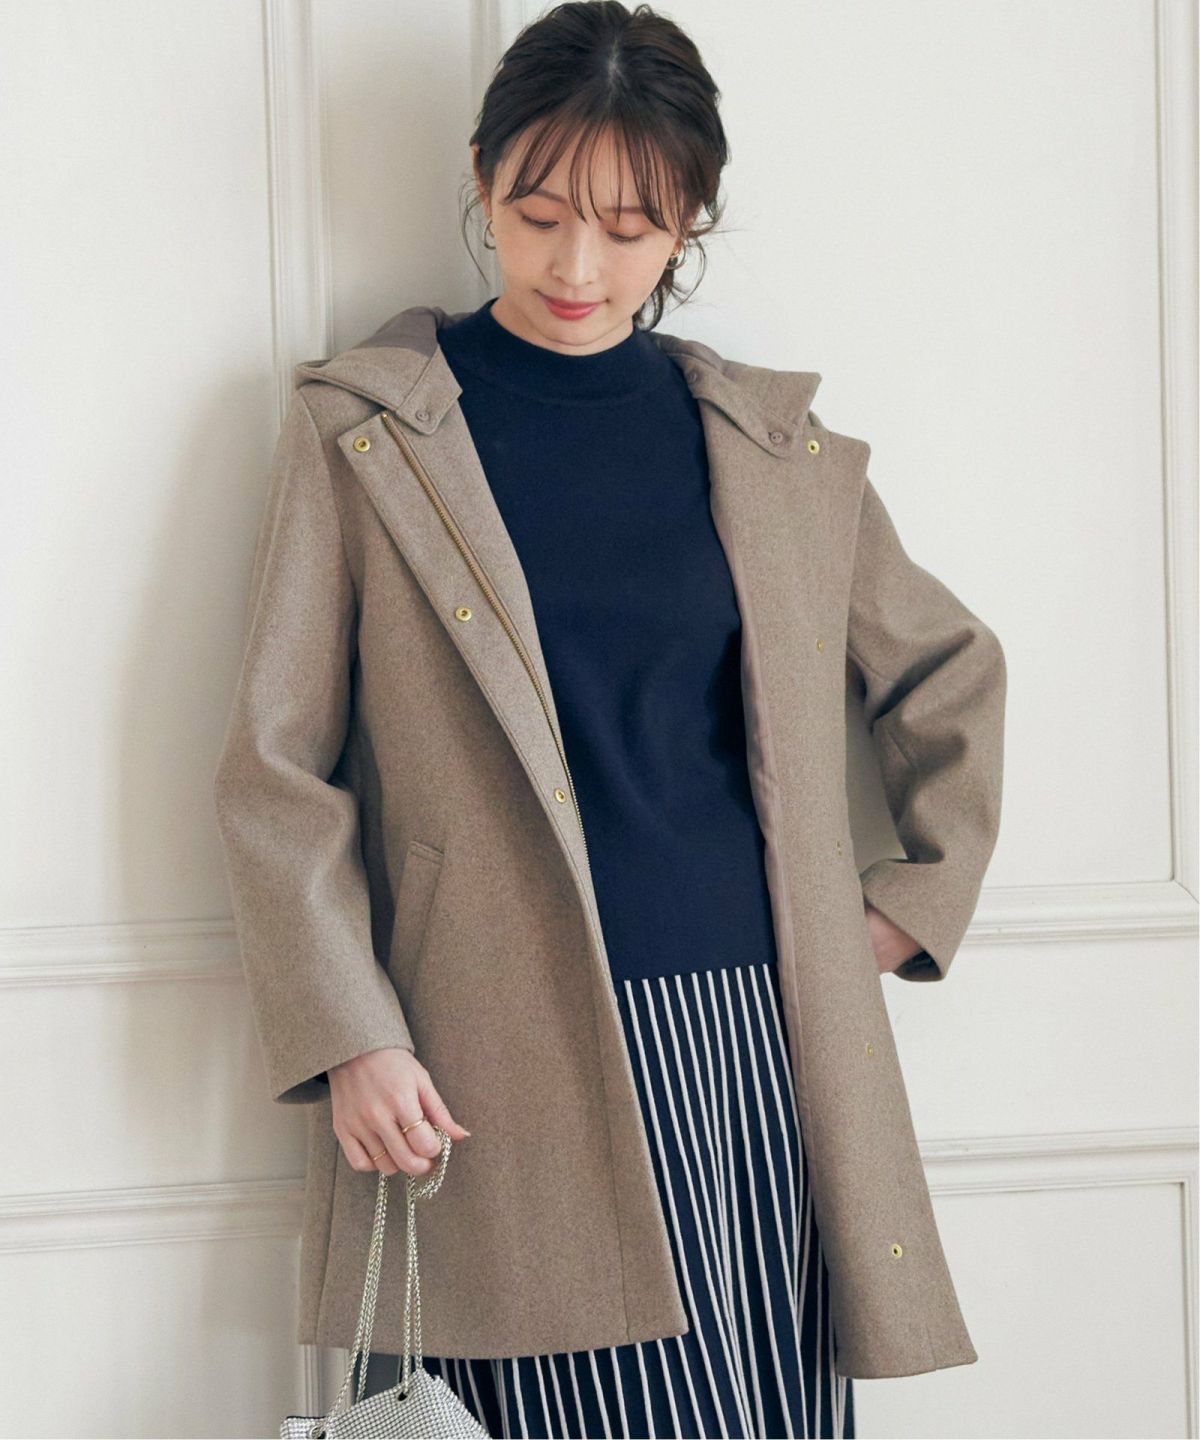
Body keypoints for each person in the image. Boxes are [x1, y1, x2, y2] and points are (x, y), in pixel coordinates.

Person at [215, 3, 1006, 1437]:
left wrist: (905, 906)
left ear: (690, 217)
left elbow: (951, 668)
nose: (578, 268)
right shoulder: (369, 434)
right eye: (538, 215)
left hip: (757, 1044)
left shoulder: (763, 445)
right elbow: (277, 768)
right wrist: (350, 1033)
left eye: (632, 229)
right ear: (481, 179)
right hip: (491, 1046)